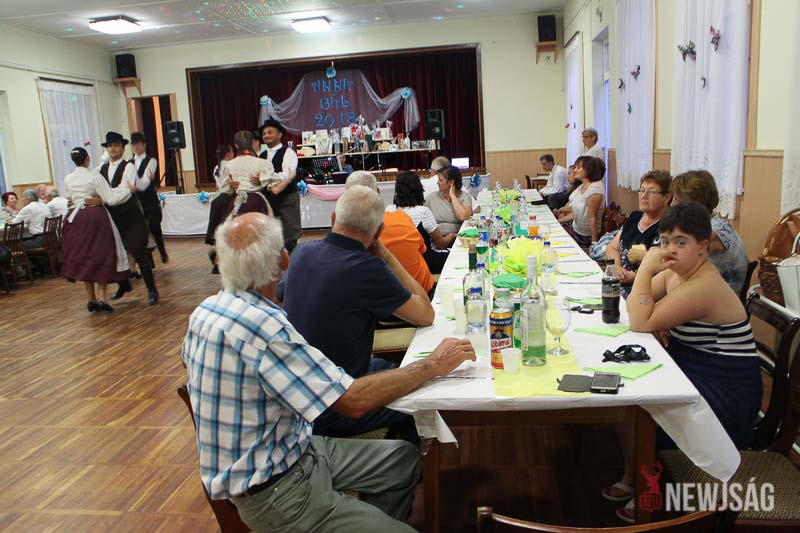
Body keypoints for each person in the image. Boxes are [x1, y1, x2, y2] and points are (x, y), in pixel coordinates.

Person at [182, 212, 475, 532]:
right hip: (278, 489)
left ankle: (357, 521)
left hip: (295, 448)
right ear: (283, 260)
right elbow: (353, 401)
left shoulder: (206, 312)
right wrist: (432, 365)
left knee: (404, 459)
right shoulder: (265, 326)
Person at [605, 202, 761, 523]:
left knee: (635, 407)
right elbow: (636, 306)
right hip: (692, 368)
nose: (670, 250)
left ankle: (650, 490)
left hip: (724, 388)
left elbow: (640, 321)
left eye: (681, 242)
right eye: (665, 241)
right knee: (623, 394)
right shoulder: (677, 274)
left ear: (702, 247)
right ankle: (637, 476)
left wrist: (646, 269)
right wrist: (650, 287)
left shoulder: (704, 285)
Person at [282, 185, 435, 441]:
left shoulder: (301, 252)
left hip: (298, 393)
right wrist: (386, 255)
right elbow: (426, 314)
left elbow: (281, 294)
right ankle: (402, 460)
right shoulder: (366, 268)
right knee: (418, 394)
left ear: (333, 218)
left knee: (390, 367)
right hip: (336, 404)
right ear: (379, 232)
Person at [61, 147, 134, 312]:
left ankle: (91, 298)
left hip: (76, 218)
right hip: (95, 218)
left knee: (85, 257)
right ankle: (101, 298)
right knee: (101, 255)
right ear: (87, 159)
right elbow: (111, 198)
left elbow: (69, 198)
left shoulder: (68, 178)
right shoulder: (94, 176)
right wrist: (126, 191)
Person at [96, 131, 160, 305]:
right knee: (115, 254)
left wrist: (106, 196)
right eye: (110, 146)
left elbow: (125, 192)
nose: (113, 149)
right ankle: (124, 285)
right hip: (112, 218)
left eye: (116, 145)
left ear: (123, 148)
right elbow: (102, 189)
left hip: (131, 217)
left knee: (139, 252)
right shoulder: (101, 169)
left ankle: (152, 290)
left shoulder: (129, 167)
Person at [669, 170, 748, 294]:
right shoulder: (714, 223)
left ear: (691, 204)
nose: (672, 204)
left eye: (676, 198)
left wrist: (643, 256)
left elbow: (672, 260)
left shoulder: (711, 233)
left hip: (715, 301)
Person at [605, 170, 672, 296]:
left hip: (644, 292)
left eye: (651, 191)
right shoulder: (635, 217)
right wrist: (617, 269)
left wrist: (635, 277)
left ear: (666, 197)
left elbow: (668, 267)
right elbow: (612, 248)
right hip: (618, 285)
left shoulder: (669, 226)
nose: (644, 195)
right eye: (641, 190)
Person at [392, 171, 453, 273]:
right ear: (419, 189)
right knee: (455, 256)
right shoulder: (423, 212)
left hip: (397, 262)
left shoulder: (390, 211)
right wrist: (452, 236)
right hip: (423, 260)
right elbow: (441, 244)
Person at [256, 119, 302, 253]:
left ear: (280, 134)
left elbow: (286, 175)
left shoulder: (289, 153)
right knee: (270, 238)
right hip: (268, 200)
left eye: (269, 132)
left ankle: (293, 264)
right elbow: (258, 176)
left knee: (289, 237)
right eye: (264, 133)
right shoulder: (261, 155)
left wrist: (266, 180)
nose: (266, 136)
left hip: (287, 199)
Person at [130, 132, 168, 264]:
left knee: (154, 226)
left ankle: (162, 251)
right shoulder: (129, 163)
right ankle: (149, 259)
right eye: (134, 144)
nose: (137, 147)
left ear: (144, 145)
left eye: (139, 144)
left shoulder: (151, 161)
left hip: (150, 201)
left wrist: (134, 186)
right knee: (140, 231)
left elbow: (145, 183)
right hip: (137, 202)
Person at [555, 156, 606, 247]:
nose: (574, 170)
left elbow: (592, 219)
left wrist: (594, 245)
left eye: (578, 168)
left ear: (589, 170)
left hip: (585, 237)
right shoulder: (583, 186)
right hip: (575, 231)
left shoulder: (595, 189)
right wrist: (558, 221)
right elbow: (576, 213)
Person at [223, 130, 274, 219]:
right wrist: (262, 181)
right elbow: (272, 183)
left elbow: (225, 189)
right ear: (252, 142)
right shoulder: (263, 163)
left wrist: (231, 185)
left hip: (238, 203)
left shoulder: (229, 165)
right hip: (257, 201)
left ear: (236, 145)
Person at [205, 144, 234, 273]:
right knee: (225, 230)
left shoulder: (216, 168)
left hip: (217, 200)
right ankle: (218, 261)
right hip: (226, 200)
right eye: (232, 152)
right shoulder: (230, 165)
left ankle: (217, 260)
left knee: (217, 232)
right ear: (228, 154)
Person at [425, 166, 473, 236]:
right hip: (437, 238)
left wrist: (452, 196)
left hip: (459, 237)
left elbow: (463, 217)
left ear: (451, 182)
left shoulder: (465, 197)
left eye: (440, 180)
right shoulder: (431, 198)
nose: (437, 182)